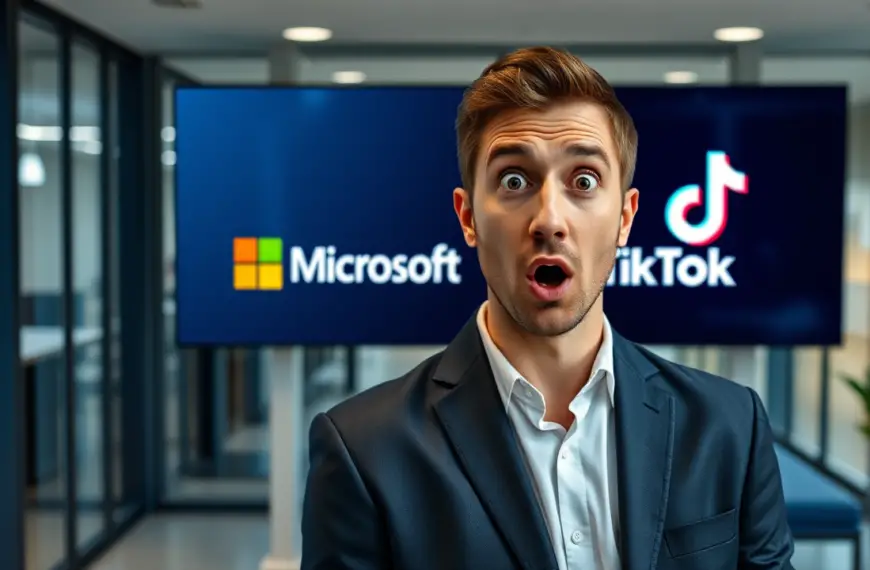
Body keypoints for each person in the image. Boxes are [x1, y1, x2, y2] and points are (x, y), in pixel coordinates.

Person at [300, 46, 795, 570]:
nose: (549, 219)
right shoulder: (364, 449)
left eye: (584, 181)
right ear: (468, 218)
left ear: (625, 217)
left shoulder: (730, 426)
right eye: (515, 180)